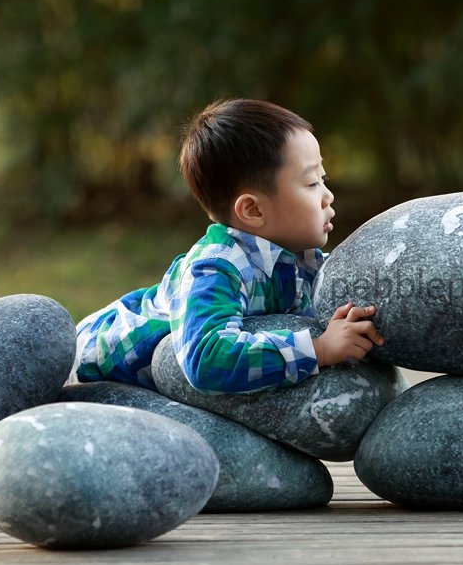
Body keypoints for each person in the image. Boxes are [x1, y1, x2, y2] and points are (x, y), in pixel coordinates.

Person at [74, 99, 384, 393]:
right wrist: (318, 350)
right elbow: (206, 359)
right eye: (312, 183)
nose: (328, 196)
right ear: (253, 211)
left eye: (323, 177)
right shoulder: (215, 267)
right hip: (91, 365)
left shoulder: (303, 258)